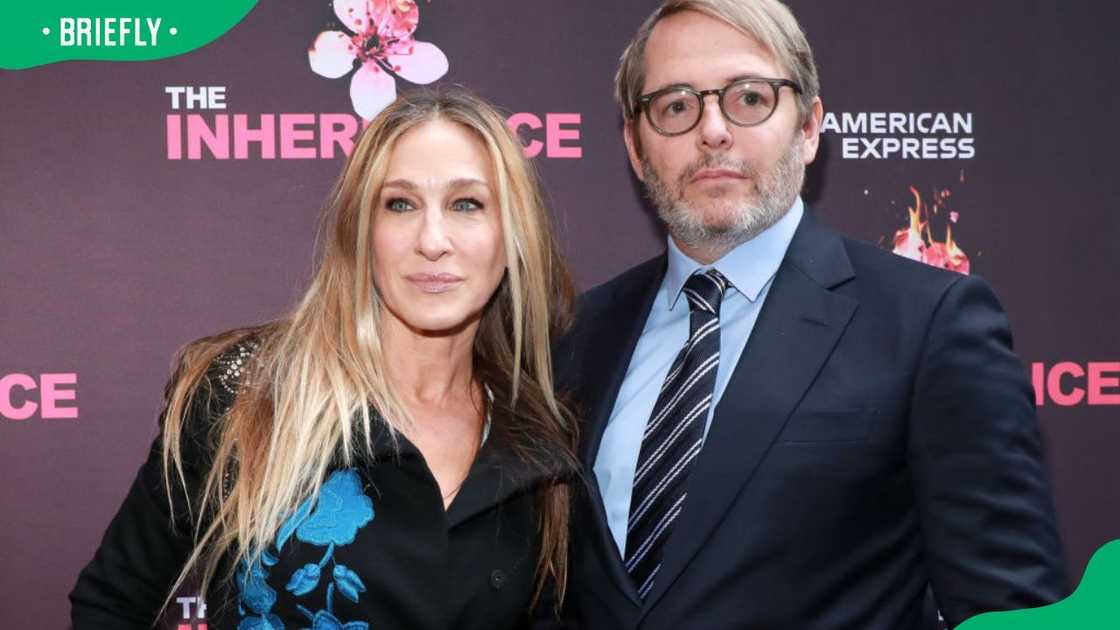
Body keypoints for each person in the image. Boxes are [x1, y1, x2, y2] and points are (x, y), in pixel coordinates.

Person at [550, 1, 1068, 628]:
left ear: (809, 126)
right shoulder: (577, 337)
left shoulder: (930, 325)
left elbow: (1009, 610)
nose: (712, 130)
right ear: (635, 147)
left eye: (750, 98)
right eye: (677, 105)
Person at [70, 88, 578, 630]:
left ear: (513, 235)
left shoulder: (538, 433)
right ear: (362, 231)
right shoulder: (248, 394)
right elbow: (111, 604)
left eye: (467, 204)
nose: (433, 240)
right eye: (400, 204)